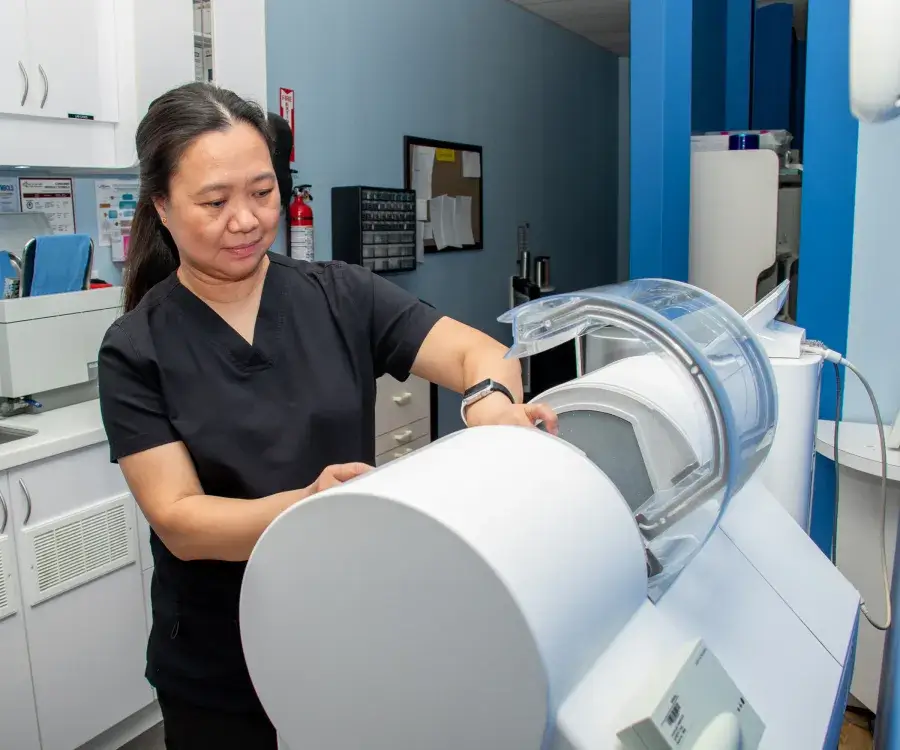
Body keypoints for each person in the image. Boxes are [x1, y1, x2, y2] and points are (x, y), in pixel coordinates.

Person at [97, 82, 558, 750]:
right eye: (215, 201)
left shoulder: (340, 294)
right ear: (163, 207)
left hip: (349, 631)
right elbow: (181, 522)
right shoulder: (137, 348)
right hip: (219, 663)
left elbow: (474, 351)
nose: (247, 219)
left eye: (262, 192)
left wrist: (488, 399)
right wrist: (310, 507)